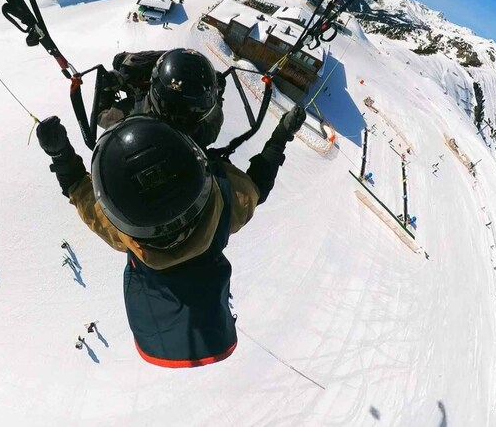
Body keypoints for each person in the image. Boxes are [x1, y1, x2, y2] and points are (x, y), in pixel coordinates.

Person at [36, 105, 306, 367]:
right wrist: (281, 136)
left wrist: (60, 155)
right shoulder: (225, 206)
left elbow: (80, 192)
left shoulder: (226, 210)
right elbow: (257, 186)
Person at [96, 48, 225, 148]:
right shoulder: (205, 130)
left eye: (191, 109)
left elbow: (101, 116)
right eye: (174, 107)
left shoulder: (135, 111)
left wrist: (106, 91)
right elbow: (215, 113)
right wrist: (217, 94)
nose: (180, 117)